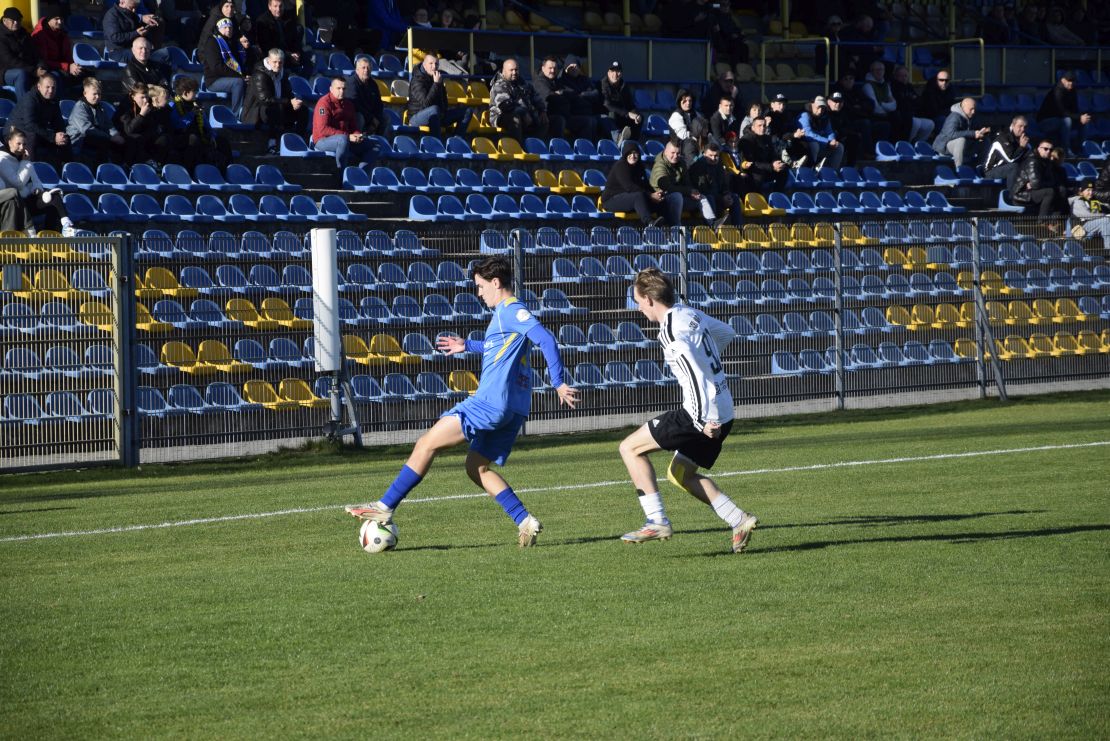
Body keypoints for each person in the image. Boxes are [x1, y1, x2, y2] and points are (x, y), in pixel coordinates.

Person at [346, 255, 579, 548]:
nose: (479, 293)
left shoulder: (511, 310)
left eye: (481, 286)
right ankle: (524, 521)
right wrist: (466, 345)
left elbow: (546, 339)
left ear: (496, 283)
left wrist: (558, 383)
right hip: (515, 411)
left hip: (490, 404)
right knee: (476, 467)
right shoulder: (505, 316)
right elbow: (496, 345)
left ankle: (385, 506)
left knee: (426, 444)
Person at [618, 267, 757, 553]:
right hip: (724, 410)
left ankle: (656, 521)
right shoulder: (688, 313)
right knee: (680, 473)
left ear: (649, 299)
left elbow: (694, 376)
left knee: (629, 448)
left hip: (700, 414)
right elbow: (726, 333)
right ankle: (739, 519)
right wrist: (710, 370)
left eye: (638, 301)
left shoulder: (669, 332)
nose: (638, 307)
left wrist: (701, 420)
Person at [0, 127, 76, 236]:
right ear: (9, 142)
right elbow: (18, 184)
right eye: (18, 144)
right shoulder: (3, 159)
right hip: (17, 203)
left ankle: (62, 228)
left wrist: (37, 189)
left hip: (29, 198)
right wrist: (25, 163)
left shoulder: (24, 158)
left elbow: (36, 181)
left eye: (24, 144)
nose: (22, 147)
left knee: (53, 197)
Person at [242, 47, 309, 152]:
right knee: (273, 108)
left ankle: (297, 140)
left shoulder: (283, 74)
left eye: (280, 62)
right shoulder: (259, 74)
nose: (277, 65)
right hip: (257, 111)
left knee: (303, 110)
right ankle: (272, 143)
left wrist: (294, 102)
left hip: (278, 106)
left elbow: (288, 93)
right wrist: (288, 102)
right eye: (274, 62)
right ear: (268, 61)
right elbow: (264, 99)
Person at [169, 76, 233, 169]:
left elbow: (206, 124)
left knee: (222, 141)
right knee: (193, 139)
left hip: (200, 135)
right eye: (194, 92)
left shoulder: (196, 104)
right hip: (182, 137)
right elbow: (177, 125)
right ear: (185, 93)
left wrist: (212, 135)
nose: (197, 95)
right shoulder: (173, 105)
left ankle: (228, 169)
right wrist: (191, 114)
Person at [311, 76, 374, 169]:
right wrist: (348, 136)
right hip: (323, 140)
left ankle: (361, 172)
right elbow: (323, 129)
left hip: (344, 139)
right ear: (331, 89)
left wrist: (357, 135)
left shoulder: (349, 104)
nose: (341, 91)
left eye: (344, 89)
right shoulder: (323, 103)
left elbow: (353, 127)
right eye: (338, 88)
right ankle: (341, 172)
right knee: (343, 140)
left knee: (374, 145)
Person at [7, 73, 69, 164]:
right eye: (47, 87)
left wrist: (61, 135)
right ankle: (30, 168)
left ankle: (66, 167)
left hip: (36, 130)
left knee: (65, 138)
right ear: (39, 86)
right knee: (33, 137)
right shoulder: (30, 99)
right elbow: (30, 125)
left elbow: (58, 123)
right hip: (15, 131)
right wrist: (53, 137)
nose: (50, 91)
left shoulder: (53, 100)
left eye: (53, 88)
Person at [601, 141, 668, 224]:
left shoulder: (639, 166)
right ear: (625, 154)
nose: (632, 156)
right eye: (629, 153)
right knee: (639, 196)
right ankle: (650, 223)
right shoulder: (620, 166)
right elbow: (629, 187)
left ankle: (665, 224)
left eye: (635, 153)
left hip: (629, 198)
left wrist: (656, 193)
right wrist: (650, 195)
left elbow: (645, 185)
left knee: (661, 199)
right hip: (611, 200)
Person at [650, 139, 714, 226]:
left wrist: (693, 192)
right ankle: (677, 226)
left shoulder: (681, 162)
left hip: (680, 198)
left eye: (678, 153)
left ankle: (713, 224)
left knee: (701, 197)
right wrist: (688, 191)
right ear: (665, 152)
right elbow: (668, 187)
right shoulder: (659, 165)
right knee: (677, 196)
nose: (675, 156)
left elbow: (687, 182)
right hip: (663, 200)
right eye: (673, 153)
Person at [407, 53, 471, 139]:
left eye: (436, 64)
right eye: (431, 63)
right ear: (424, 65)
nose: (434, 67)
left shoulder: (437, 77)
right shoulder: (417, 80)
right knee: (434, 109)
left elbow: (444, 101)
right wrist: (436, 84)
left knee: (467, 111)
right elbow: (425, 104)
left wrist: (444, 113)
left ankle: (456, 141)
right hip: (417, 117)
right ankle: (437, 142)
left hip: (437, 115)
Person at [532, 55, 596, 141]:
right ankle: (559, 147)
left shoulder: (556, 81)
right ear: (543, 68)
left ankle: (585, 147)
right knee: (559, 120)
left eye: (555, 68)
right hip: (548, 116)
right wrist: (561, 94)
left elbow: (568, 95)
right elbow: (550, 97)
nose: (553, 71)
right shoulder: (539, 82)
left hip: (566, 115)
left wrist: (562, 94)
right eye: (550, 68)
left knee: (587, 121)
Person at [489, 57, 548, 142]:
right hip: (501, 116)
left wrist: (542, 110)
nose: (514, 72)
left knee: (545, 120)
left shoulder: (523, 83)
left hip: (525, 114)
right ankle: (517, 145)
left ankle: (534, 144)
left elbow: (536, 96)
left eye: (516, 70)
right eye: (511, 70)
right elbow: (505, 106)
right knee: (515, 118)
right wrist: (524, 113)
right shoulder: (499, 85)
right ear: (504, 71)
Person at [67, 77, 125, 162]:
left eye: (99, 94)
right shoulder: (80, 107)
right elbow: (87, 129)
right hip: (79, 140)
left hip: (97, 137)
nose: (97, 97)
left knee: (123, 141)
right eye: (94, 94)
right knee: (104, 141)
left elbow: (108, 124)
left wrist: (116, 134)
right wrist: (110, 137)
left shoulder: (100, 107)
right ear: (85, 93)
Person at [199, 17, 248, 116]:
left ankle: (248, 114)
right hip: (214, 80)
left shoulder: (233, 43)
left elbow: (238, 63)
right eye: (225, 27)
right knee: (238, 82)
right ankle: (236, 115)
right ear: (218, 29)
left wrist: (246, 75)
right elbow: (216, 67)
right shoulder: (212, 42)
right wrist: (239, 76)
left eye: (230, 27)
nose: (228, 30)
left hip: (231, 77)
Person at [113, 82, 168, 166]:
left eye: (146, 97)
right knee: (137, 139)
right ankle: (133, 166)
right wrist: (141, 115)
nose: (145, 100)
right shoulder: (125, 107)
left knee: (163, 138)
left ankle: (157, 164)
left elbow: (152, 125)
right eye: (142, 97)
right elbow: (128, 130)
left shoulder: (148, 104)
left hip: (142, 133)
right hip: (125, 135)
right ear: (133, 97)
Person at [1037, 71, 1092, 154]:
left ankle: (1081, 149)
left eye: (1073, 81)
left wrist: (1082, 117)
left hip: (1061, 119)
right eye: (1069, 80)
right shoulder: (1057, 91)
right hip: (1046, 122)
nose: (1071, 83)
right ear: (1063, 80)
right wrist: (1078, 117)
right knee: (1067, 121)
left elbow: (1075, 110)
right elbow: (1061, 112)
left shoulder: (1073, 91)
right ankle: (1066, 150)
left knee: (1085, 121)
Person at [689, 142, 742, 227]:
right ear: (704, 154)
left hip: (718, 197)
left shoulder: (719, 165)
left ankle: (739, 229)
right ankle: (713, 228)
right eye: (710, 155)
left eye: (716, 156)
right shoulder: (698, 167)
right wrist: (722, 198)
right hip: (704, 199)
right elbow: (703, 190)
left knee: (734, 198)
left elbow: (724, 184)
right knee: (710, 198)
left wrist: (726, 194)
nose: (713, 158)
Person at [1011, 138, 1068, 217]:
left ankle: (1055, 220)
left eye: (1051, 150)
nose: (1048, 151)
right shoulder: (1032, 161)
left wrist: (1046, 182)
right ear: (1039, 149)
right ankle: (1042, 221)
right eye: (1045, 149)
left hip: (1034, 190)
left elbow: (1051, 180)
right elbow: (1036, 184)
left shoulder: (1047, 162)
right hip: (1022, 193)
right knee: (1049, 192)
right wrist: (1047, 183)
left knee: (1062, 190)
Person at [31, 6, 83, 87]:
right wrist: (68, 67)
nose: (60, 22)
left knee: (85, 74)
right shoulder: (40, 35)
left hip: (61, 66)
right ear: (49, 19)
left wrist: (73, 66)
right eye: (56, 19)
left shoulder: (62, 34)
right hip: (46, 68)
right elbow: (44, 60)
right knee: (59, 77)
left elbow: (68, 56)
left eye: (61, 19)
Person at [254, 0, 309, 75]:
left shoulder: (289, 18)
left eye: (280, 6)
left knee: (311, 60)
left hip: (290, 53)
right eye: (275, 6)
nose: (278, 9)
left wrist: (296, 53)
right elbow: (267, 47)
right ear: (269, 7)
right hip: (275, 56)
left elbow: (295, 38)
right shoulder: (262, 22)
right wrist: (288, 55)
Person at [1, 7, 44, 101]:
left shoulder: (24, 34)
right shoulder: (1, 36)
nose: (16, 23)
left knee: (51, 76)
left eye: (18, 20)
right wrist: (33, 70)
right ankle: (24, 107)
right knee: (21, 74)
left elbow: (36, 52)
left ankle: (53, 107)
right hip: (5, 72)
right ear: (4, 20)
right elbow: (10, 61)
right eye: (13, 20)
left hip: (28, 68)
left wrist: (41, 66)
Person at [932, 97, 990, 168]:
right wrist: (973, 133)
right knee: (961, 140)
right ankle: (960, 169)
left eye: (974, 109)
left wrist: (982, 132)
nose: (973, 111)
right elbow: (951, 134)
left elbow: (976, 130)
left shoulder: (973, 116)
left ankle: (981, 167)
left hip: (964, 145)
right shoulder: (954, 116)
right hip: (945, 146)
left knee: (985, 141)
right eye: (971, 109)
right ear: (963, 108)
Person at [737, 115, 788, 193]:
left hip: (767, 167)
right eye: (759, 126)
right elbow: (751, 163)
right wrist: (771, 166)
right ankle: (757, 197)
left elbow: (773, 154)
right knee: (758, 176)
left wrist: (776, 162)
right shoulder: (746, 140)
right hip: (752, 170)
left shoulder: (767, 138)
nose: (762, 128)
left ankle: (776, 194)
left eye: (764, 126)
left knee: (783, 170)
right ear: (753, 127)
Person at [982, 115, 1030, 191]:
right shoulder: (1003, 138)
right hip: (991, 171)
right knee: (1013, 167)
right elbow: (1010, 160)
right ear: (1013, 126)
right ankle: (1012, 195)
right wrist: (1021, 147)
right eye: (1020, 126)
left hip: (1006, 168)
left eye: (1025, 127)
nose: (1023, 129)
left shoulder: (1022, 139)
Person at [890, 65, 934, 143]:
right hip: (903, 116)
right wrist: (911, 99)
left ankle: (918, 144)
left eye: (905, 76)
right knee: (916, 122)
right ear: (896, 76)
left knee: (930, 124)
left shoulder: (909, 86)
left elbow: (918, 101)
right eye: (901, 76)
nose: (904, 78)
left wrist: (912, 100)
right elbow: (901, 103)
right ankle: (907, 143)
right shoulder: (893, 87)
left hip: (914, 114)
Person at [344, 54, 386, 136]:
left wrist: (377, 119)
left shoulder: (373, 84)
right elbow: (355, 105)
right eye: (363, 68)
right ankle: (357, 141)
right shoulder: (351, 82)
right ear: (357, 70)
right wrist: (371, 119)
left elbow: (379, 104)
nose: (366, 70)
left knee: (386, 118)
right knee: (359, 117)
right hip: (359, 115)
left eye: (368, 68)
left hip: (371, 117)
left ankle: (381, 141)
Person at [798, 95, 844, 169]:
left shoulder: (825, 116)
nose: (820, 111)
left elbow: (829, 131)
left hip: (822, 144)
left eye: (822, 108)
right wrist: (827, 142)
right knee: (814, 145)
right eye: (818, 107)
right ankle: (810, 169)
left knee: (839, 146)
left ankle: (832, 172)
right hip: (804, 146)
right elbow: (809, 134)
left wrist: (832, 140)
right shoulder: (804, 115)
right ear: (812, 105)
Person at [600, 60, 641, 143]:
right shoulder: (602, 84)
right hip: (606, 115)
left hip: (621, 115)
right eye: (612, 71)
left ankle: (633, 143)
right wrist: (627, 114)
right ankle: (619, 139)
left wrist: (636, 115)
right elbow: (607, 105)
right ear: (608, 73)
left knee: (639, 117)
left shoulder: (623, 85)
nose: (615, 74)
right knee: (611, 115)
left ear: (621, 73)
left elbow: (630, 104)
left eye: (618, 71)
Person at [668, 88, 708, 165]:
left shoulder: (696, 114)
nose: (688, 103)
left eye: (690, 101)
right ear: (679, 102)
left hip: (696, 144)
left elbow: (704, 128)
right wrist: (695, 137)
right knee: (690, 148)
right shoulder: (676, 115)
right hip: (681, 146)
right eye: (685, 101)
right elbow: (683, 135)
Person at [826, 91, 862, 165]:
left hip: (838, 137)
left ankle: (850, 167)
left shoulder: (843, 112)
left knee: (854, 137)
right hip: (825, 139)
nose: (838, 104)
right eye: (835, 101)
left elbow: (848, 127)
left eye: (840, 102)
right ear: (829, 102)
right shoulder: (823, 112)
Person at [917, 69, 956, 133]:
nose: (944, 82)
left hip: (943, 113)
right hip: (931, 116)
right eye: (941, 80)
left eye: (947, 80)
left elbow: (952, 105)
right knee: (943, 120)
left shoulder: (950, 89)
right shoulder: (930, 90)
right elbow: (933, 111)